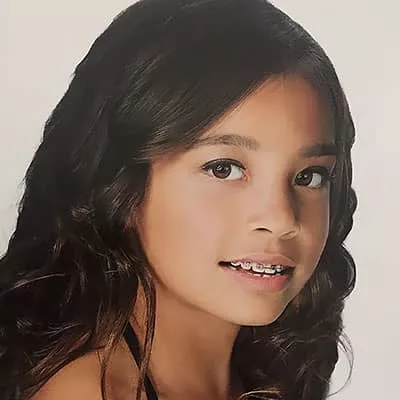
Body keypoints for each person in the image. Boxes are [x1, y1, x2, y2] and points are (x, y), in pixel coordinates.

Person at [0, 0, 357, 399]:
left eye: (310, 176)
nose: (282, 219)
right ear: (120, 182)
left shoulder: (268, 370)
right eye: (224, 168)